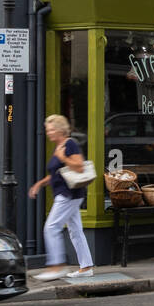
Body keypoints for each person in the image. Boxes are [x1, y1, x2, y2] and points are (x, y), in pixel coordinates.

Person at [29, 114, 94, 280]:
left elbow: (79, 167)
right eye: (47, 130)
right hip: (68, 194)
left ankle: (56, 266)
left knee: (51, 228)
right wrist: (39, 184)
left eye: (51, 130)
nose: (48, 133)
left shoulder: (69, 144)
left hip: (68, 195)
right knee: (75, 231)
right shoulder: (59, 146)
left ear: (60, 130)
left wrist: (63, 157)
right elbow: (58, 174)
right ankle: (86, 266)